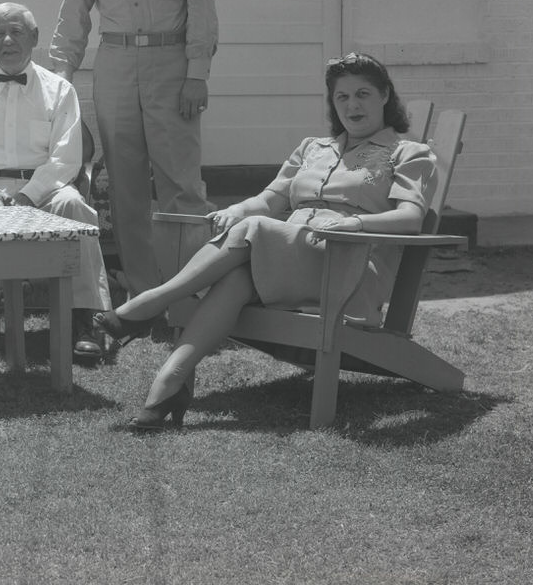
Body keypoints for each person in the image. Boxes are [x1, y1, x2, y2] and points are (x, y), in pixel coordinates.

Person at [100, 53, 437, 430]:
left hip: (347, 270)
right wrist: (238, 209)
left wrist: (357, 224)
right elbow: (267, 201)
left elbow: (410, 218)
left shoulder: (408, 154)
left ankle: (150, 302)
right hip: (289, 261)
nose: (352, 105)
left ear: (385, 95)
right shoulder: (312, 148)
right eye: (341, 97)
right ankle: (168, 385)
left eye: (363, 94)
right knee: (235, 278)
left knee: (254, 230)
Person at [48, 0, 219, 299]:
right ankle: (145, 292)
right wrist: (59, 84)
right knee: (124, 186)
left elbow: (202, 9)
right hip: (117, 66)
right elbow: (72, 20)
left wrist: (197, 73)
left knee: (180, 182)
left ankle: (189, 288)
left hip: (171, 64)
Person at [0, 3, 114, 370]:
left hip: (44, 187)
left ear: (34, 38)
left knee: (75, 208)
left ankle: (86, 320)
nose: (7, 40)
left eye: (17, 31)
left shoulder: (59, 90)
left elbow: (66, 158)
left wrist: (28, 195)